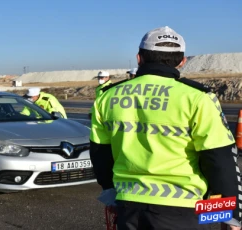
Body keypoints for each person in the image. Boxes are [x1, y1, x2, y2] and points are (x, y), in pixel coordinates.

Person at [90, 26, 242, 230]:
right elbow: (219, 159)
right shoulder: (197, 97)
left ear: (139, 58)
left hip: (128, 204)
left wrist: (110, 192)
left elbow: (100, 153)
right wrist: (230, 216)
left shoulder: (107, 97)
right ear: (182, 61)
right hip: (184, 208)